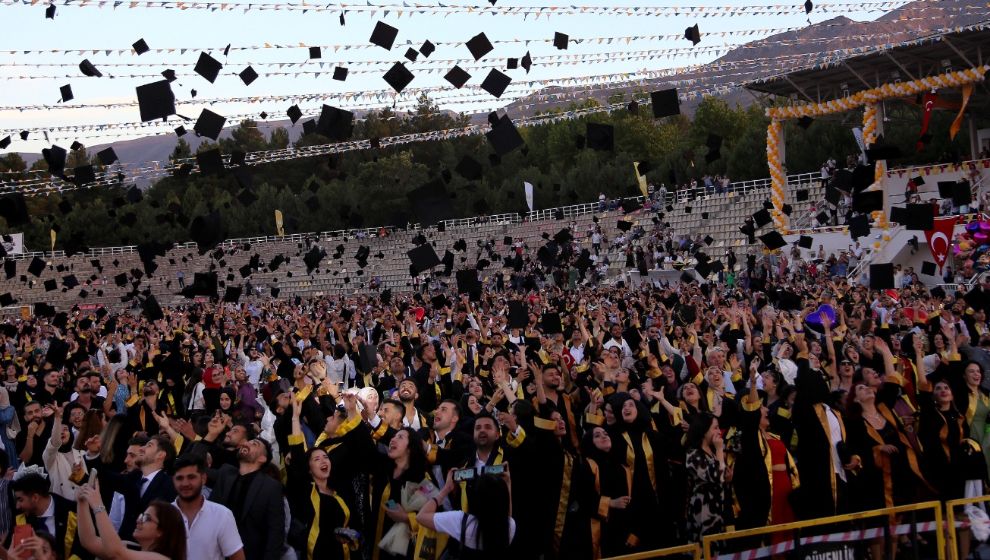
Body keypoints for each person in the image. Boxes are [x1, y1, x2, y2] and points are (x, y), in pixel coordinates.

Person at [208, 435, 287, 560]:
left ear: (262, 458)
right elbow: (194, 469)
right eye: (247, 442)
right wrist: (208, 437)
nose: (246, 444)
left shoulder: (271, 487)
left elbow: (275, 532)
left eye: (254, 444)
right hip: (215, 552)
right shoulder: (225, 473)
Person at [416, 471, 515, 560]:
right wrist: (508, 484)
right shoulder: (509, 527)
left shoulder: (462, 521)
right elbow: (507, 517)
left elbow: (421, 516)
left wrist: (446, 489)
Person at [76, 481, 186, 560]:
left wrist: (97, 504)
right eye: (141, 515)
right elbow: (89, 541)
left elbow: (115, 553)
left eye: (147, 518)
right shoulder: (129, 547)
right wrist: (82, 503)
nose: (139, 520)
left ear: (162, 531)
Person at [171, 454, 245, 560]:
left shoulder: (222, 515)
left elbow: (237, 557)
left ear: (204, 478)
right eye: (179, 478)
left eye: (191, 477)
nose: (185, 483)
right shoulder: (162, 514)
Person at [684, 413, 727, 543]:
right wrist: (720, 449)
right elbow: (715, 476)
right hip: (704, 508)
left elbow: (722, 476)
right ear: (703, 430)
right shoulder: (693, 453)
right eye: (715, 428)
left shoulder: (712, 452)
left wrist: (728, 476)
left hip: (718, 506)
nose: (719, 431)